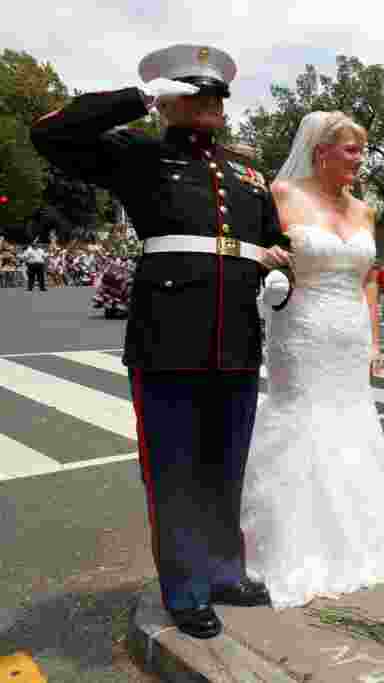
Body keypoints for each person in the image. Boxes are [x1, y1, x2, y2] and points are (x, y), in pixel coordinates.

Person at [31, 44, 293, 639]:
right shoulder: (138, 154)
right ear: (170, 101)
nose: (207, 103)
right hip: (167, 340)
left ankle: (226, 572)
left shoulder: (248, 172)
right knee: (174, 472)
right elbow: (49, 135)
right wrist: (139, 98)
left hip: (237, 341)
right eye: (192, 92)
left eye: (214, 95)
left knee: (227, 468)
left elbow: (276, 241)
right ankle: (186, 587)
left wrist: (281, 271)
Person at [241, 110, 384, 609]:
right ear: (320, 150)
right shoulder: (281, 196)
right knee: (301, 420)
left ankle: (358, 539)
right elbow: (257, 253)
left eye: (361, 150)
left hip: (350, 332)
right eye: (351, 150)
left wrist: (376, 342)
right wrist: (266, 268)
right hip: (300, 327)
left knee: (350, 422)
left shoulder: (364, 211)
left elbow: (366, 280)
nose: (359, 160)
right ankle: (289, 546)